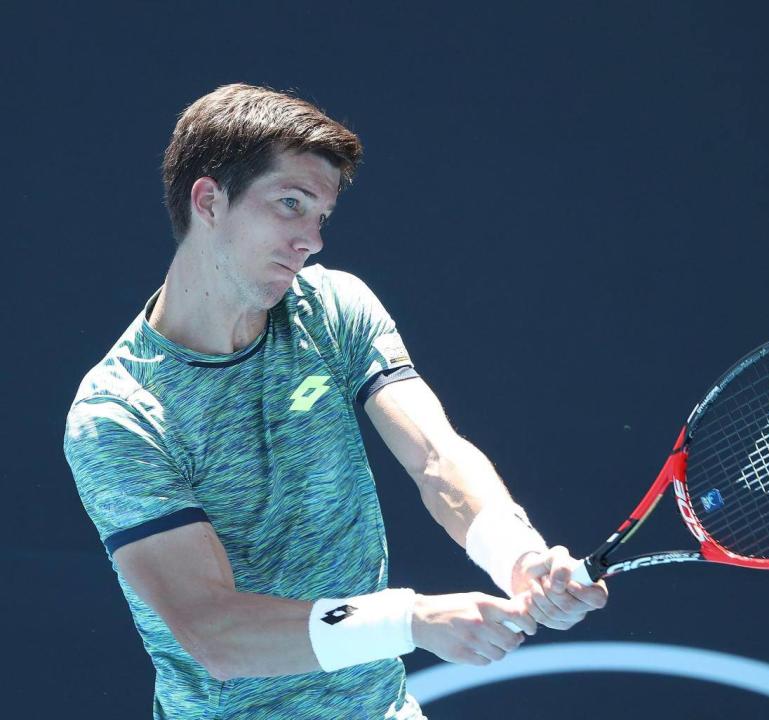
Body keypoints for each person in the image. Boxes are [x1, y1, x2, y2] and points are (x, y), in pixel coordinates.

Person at [63, 83, 608, 719]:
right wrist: (410, 619)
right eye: (289, 204)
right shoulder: (118, 417)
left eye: (320, 217)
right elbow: (215, 633)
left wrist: (521, 558)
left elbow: (437, 457)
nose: (312, 239)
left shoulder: (335, 307)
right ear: (209, 201)